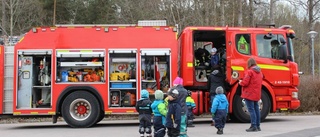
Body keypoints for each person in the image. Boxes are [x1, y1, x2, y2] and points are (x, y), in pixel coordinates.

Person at [239, 58, 263, 132]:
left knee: (251, 110)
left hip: (249, 93)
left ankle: (253, 126)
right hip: (256, 93)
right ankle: (258, 126)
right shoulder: (260, 72)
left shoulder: (249, 72)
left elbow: (245, 83)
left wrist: (240, 82)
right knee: (256, 110)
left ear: (249, 64)